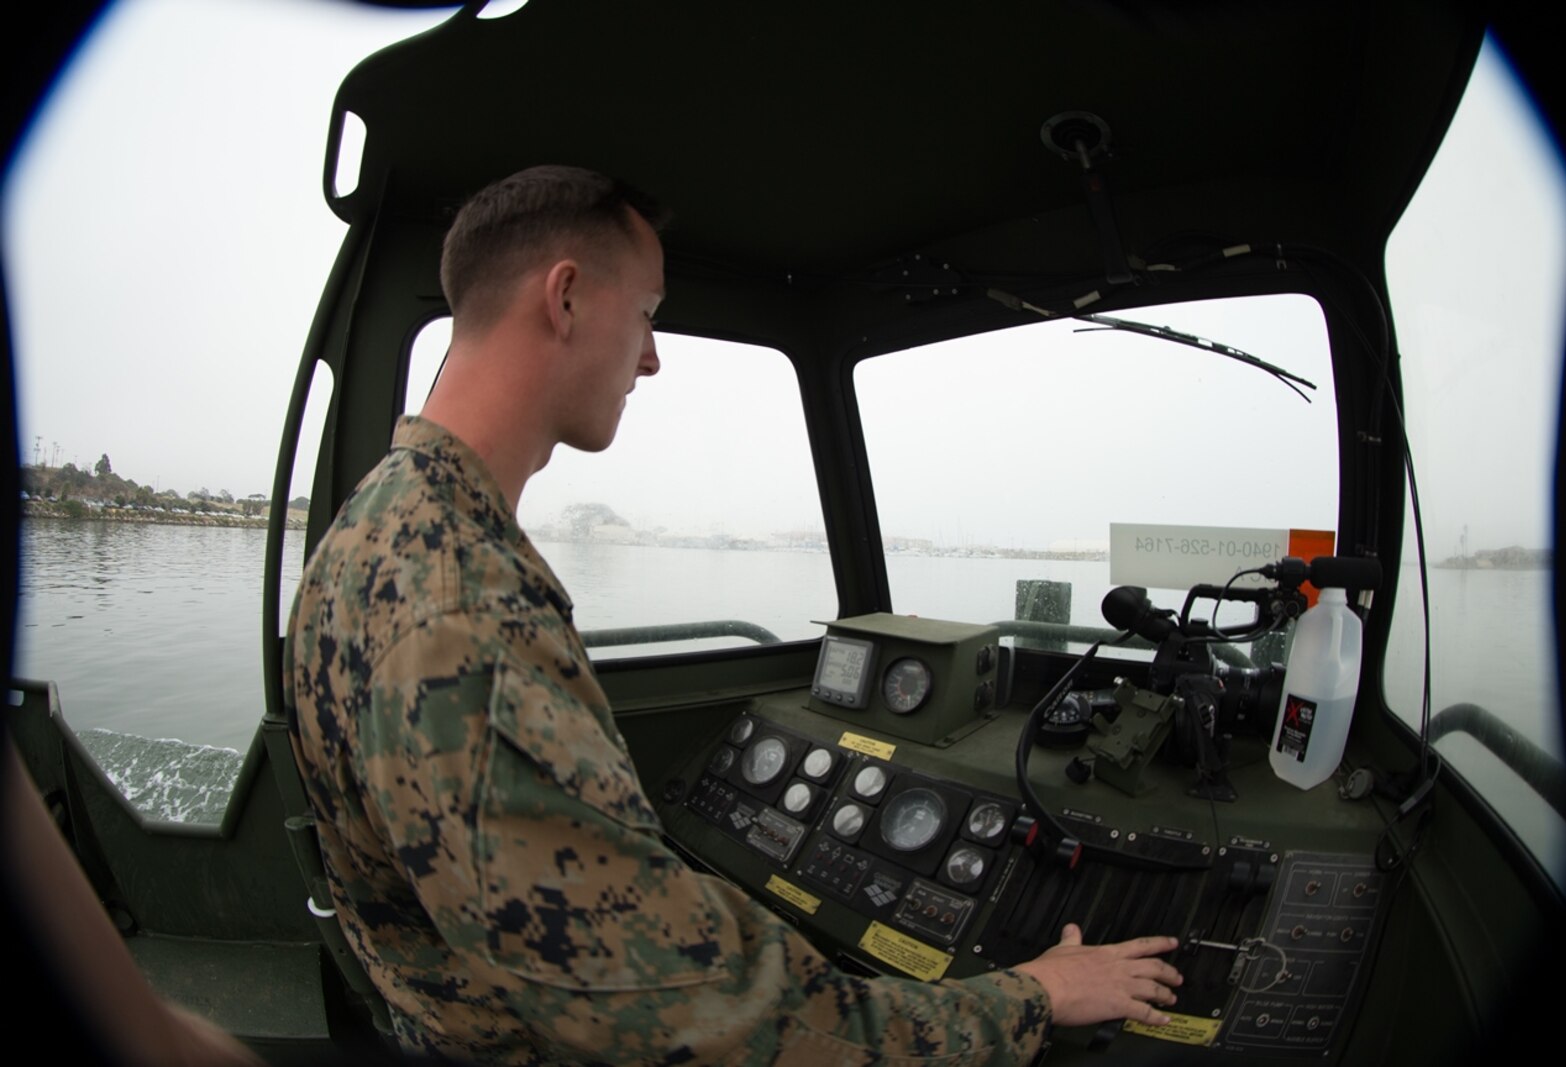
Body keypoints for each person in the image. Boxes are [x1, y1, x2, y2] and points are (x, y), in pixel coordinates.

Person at [286, 164, 1182, 1065]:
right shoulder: (465, 614)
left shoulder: (371, 529)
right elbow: (726, 1025)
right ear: (564, 298)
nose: (651, 355)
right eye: (646, 312)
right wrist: (1029, 997)